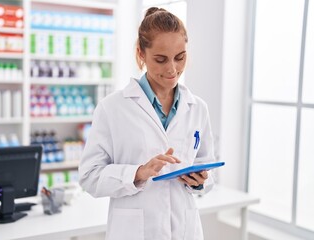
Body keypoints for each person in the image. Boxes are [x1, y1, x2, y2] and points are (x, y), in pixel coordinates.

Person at [79, 7, 216, 240]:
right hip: (134, 232)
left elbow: (208, 169)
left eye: (180, 57)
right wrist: (138, 173)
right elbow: (89, 177)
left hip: (185, 229)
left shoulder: (198, 108)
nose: (172, 69)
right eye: (161, 60)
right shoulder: (112, 108)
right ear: (141, 53)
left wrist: (201, 180)